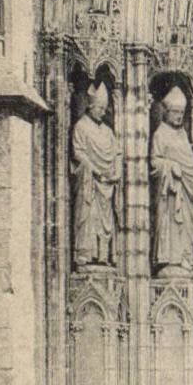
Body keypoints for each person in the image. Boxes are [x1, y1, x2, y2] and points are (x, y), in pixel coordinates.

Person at [151, 86, 193, 276]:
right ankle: (169, 260)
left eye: (182, 113)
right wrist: (170, 166)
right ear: (167, 112)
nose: (180, 116)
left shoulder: (183, 135)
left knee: (186, 227)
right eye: (176, 112)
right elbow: (154, 162)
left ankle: (184, 259)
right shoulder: (160, 134)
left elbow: (189, 162)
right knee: (169, 225)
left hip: (186, 193)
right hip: (169, 193)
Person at [71, 82, 121, 267]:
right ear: (90, 106)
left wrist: (116, 172)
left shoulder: (108, 131)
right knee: (89, 217)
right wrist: (95, 170)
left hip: (107, 184)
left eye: (105, 108)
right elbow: (78, 152)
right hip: (90, 182)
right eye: (100, 108)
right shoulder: (81, 127)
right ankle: (86, 255)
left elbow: (117, 153)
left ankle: (103, 255)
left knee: (106, 222)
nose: (103, 112)